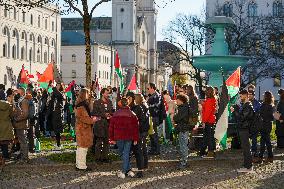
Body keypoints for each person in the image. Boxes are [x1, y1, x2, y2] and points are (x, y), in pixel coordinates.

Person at [109, 98, 139, 179]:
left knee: (123, 153)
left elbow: (111, 127)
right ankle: (128, 169)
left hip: (119, 136)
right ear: (128, 104)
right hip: (129, 137)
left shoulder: (116, 114)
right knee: (125, 153)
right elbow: (136, 128)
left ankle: (124, 171)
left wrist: (111, 138)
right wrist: (136, 138)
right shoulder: (132, 114)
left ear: (121, 104)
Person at [75, 88, 99, 171]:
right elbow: (84, 118)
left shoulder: (82, 104)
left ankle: (79, 164)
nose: (89, 95)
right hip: (83, 129)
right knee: (83, 148)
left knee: (81, 148)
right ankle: (81, 166)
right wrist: (93, 120)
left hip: (82, 129)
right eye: (88, 93)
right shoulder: (81, 106)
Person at [128, 93, 150, 178]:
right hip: (139, 132)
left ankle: (140, 170)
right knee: (140, 150)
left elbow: (140, 121)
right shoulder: (137, 107)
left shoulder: (137, 108)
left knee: (138, 151)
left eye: (128, 98)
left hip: (139, 132)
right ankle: (142, 167)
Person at [233, 89, 255, 173]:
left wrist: (234, 111)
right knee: (245, 148)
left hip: (245, 129)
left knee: (246, 148)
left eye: (241, 95)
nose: (240, 97)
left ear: (245, 95)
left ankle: (248, 167)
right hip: (243, 129)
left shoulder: (248, 105)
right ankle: (247, 165)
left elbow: (242, 118)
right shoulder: (245, 105)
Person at [92, 88, 113, 163]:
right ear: (102, 93)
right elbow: (94, 113)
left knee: (106, 141)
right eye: (107, 93)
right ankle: (97, 158)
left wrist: (110, 115)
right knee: (99, 141)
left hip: (107, 124)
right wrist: (103, 114)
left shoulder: (110, 102)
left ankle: (105, 157)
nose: (108, 95)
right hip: (99, 124)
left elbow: (112, 111)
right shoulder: (97, 102)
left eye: (108, 93)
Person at [255, 91, 274, 163]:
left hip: (264, 125)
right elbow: (272, 117)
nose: (263, 97)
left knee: (266, 142)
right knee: (264, 141)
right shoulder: (271, 105)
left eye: (264, 96)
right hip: (268, 125)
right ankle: (263, 157)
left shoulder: (264, 105)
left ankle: (268, 157)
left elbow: (261, 115)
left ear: (266, 97)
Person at [147, 83, 165, 155]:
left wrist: (147, 105)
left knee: (154, 134)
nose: (147, 90)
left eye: (148, 88)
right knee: (152, 133)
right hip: (152, 117)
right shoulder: (153, 96)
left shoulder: (156, 96)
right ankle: (153, 149)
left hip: (154, 117)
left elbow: (156, 107)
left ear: (152, 88)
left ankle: (157, 149)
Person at [173, 94, 190, 169]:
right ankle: (183, 161)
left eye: (178, 100)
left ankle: (184, 162)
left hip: (183, 129)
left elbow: (177, 117)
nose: (176, 101)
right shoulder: (183, 107)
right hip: (182, 128)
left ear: (181, 101)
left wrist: (174, 117)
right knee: (182, 145)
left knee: (183, 145)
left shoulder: (184, 108)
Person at [200, 86, 217, 159]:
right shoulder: (212, 99)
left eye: (206, 91)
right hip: (211, 120)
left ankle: (210, 152)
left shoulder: (210, 100)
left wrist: (203, 121)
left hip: (208, 120)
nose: (205, 92)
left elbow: (207, 112)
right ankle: (211, 151)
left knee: (209, 137)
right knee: (210, 136)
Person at [13, 87, 29, 162]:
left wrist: (17, 119)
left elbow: (25, 114)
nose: (16, 94)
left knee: (23, 141)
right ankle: (22, 155)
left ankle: (25, 157)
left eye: (18, 92)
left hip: (21, 124)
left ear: (22, 93)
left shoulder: (24, 101)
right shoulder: (20, 100)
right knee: (21, 140)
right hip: (19, 124)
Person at [48, 83, 65, 150]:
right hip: (54, 113)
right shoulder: (55, 93)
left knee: (57, 130)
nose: (57, 86)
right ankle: (57, 143)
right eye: (56, 85)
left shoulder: (61, 93)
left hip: (58, 114)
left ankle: (59, 144)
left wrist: (53, 88)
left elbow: (59, 96)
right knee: (55, 129)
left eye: (58, 85)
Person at [0, 89, 14, 162]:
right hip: (6, 124)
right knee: (4, 142)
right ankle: (5, 156)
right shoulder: (8, 104)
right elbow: (12, 115)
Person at [248, 90, 261, 158]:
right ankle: (249, 151)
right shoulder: (246, 102)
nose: (249, 95)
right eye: (248, 94)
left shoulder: (257, 103)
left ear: (253, 95)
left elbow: (258, 114)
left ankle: (254, 151)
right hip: (248, 124)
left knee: (254, 139)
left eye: (250, 94)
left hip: (255, 124)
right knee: (247, 139)